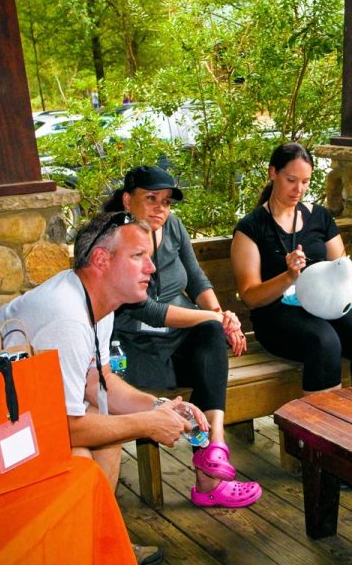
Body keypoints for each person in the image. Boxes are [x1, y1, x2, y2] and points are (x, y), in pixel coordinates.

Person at [0, 212, 202, 565]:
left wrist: (160, 406)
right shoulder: (67, 317)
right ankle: (79, 551)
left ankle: (102, 545)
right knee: (81, 460)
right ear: (101, 260)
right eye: (138, 256)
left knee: (107, 435)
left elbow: (99, 383)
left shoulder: (98, 302)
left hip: (8, 416)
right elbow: (67, 429)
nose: (152, 267)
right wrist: (149, 424)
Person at [101, 165, 261, 508]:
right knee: (208, 335)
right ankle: (210, 481)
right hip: (135, 352)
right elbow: (148, 310)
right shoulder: (117, 240)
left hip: (178, 342)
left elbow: (197, 279)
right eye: (151, 199)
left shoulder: (172, 227)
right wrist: (216, 318)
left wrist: (220, 317)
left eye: (167, 201)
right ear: (128, 200)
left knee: (209, 340)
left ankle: (213, 448)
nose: (161, 208)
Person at [231, 142, 352, 393]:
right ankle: (323, 428)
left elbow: (342, 264)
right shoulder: (251, 228)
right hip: (277, 315)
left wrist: (349, 279)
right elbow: (250, 296)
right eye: (291, 180)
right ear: (273, 173)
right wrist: (289, 277)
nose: (299, 189)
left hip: (326, 305)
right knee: (324, 340)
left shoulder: (320, 217)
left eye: (305, 182)